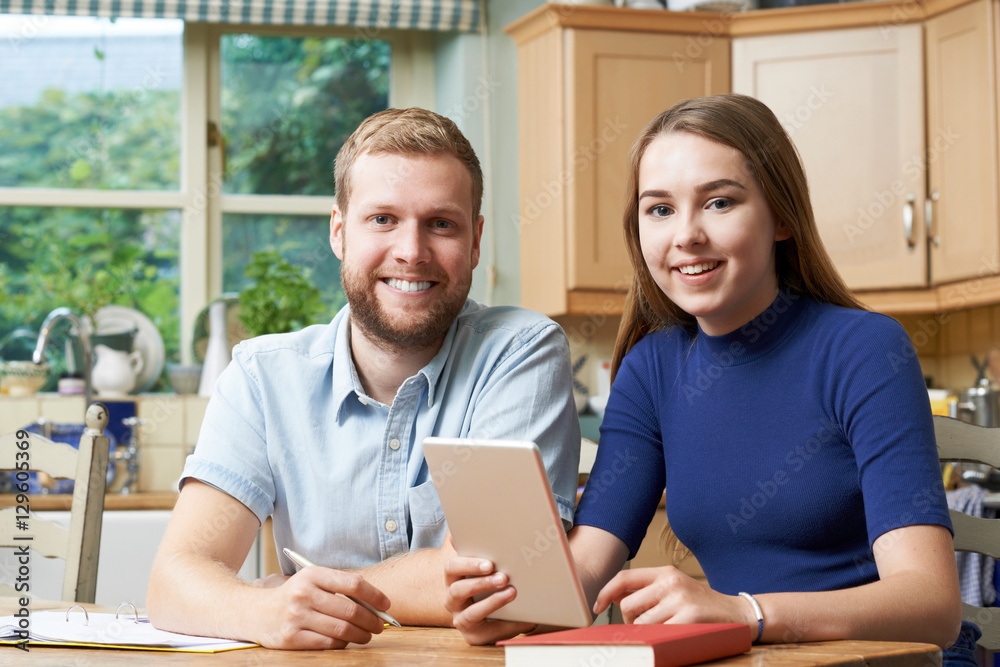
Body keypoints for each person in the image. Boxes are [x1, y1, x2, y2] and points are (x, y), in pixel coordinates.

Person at [445, 93, 969, 659]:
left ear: (783, 217)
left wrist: (747, 612)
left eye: (719, 203)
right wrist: (514, 607)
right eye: (660, 209)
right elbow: (590, 562)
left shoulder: (863, 349)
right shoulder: (651, 369)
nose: (686, 234)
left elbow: (933, 604)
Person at [147, 107, 581, 650]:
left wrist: (300, 593)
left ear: (475, 242)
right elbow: (175, 579)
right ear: (339, 232)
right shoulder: (262, 377)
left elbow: (500, 579)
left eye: (441, 223)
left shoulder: (520, 351)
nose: (411, 251)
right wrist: (261, 609)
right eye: (382, 219)